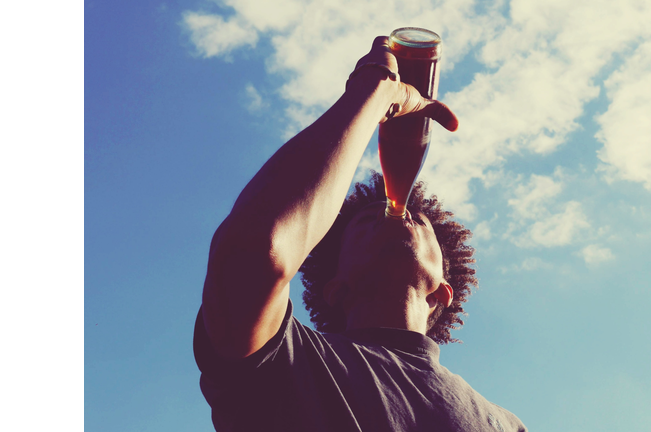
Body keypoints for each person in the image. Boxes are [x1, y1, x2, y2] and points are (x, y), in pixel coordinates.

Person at [193, 36, 527, 432]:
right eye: (363, 222)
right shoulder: (289, 363)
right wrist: (372, 92)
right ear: (337, 288)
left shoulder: (504, 424)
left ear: (441, 291)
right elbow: (253, 251)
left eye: (423, 222)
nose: (391, 213)